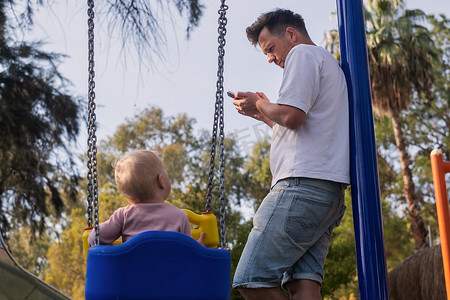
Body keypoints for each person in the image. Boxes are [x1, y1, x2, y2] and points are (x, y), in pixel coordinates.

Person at [231, 9, 350, 300]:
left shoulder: (302, 55)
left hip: (301, 187)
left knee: (252, 279)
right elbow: (300, 125)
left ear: (290, 34)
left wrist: (259, 104)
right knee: (303, 284)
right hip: (327, 192)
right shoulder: (326, 63)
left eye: (270, 49)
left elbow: (293, 116)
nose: (270, 58)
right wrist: (267, 117)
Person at [88, 150, 196, 246]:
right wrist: (198, 248)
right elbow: (189, 254)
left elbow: (94, 238)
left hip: (133, 269)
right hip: (169, 269)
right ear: (161, 181)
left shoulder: (124, 216)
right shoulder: (180, 216)